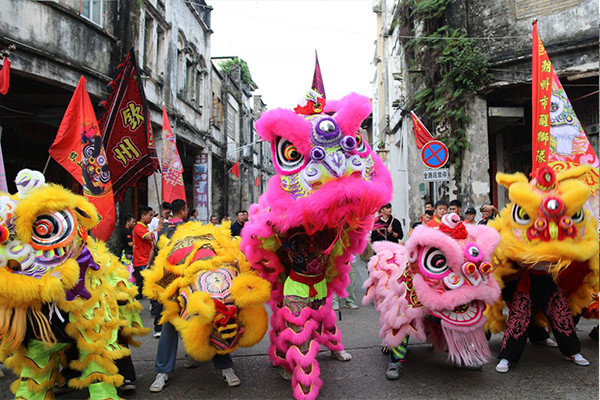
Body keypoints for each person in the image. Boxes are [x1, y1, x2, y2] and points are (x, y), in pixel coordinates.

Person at [149, 200, 242, 392]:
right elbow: (161, 257)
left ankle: (225, 367)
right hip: (174, 276)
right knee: (171, 321)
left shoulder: (186, 229)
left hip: (202, 276)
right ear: (183, 212)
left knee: (214, 317)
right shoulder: (163, 230)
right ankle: (162, 371)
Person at [132, 206, 155, 298]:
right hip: (142, 260)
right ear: (143, 216)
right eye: (150, 215)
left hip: (145, 259)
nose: (151, 218)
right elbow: (149, 237)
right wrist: (157, 230)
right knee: (141, 286)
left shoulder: (145, 227)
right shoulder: (138, 227)